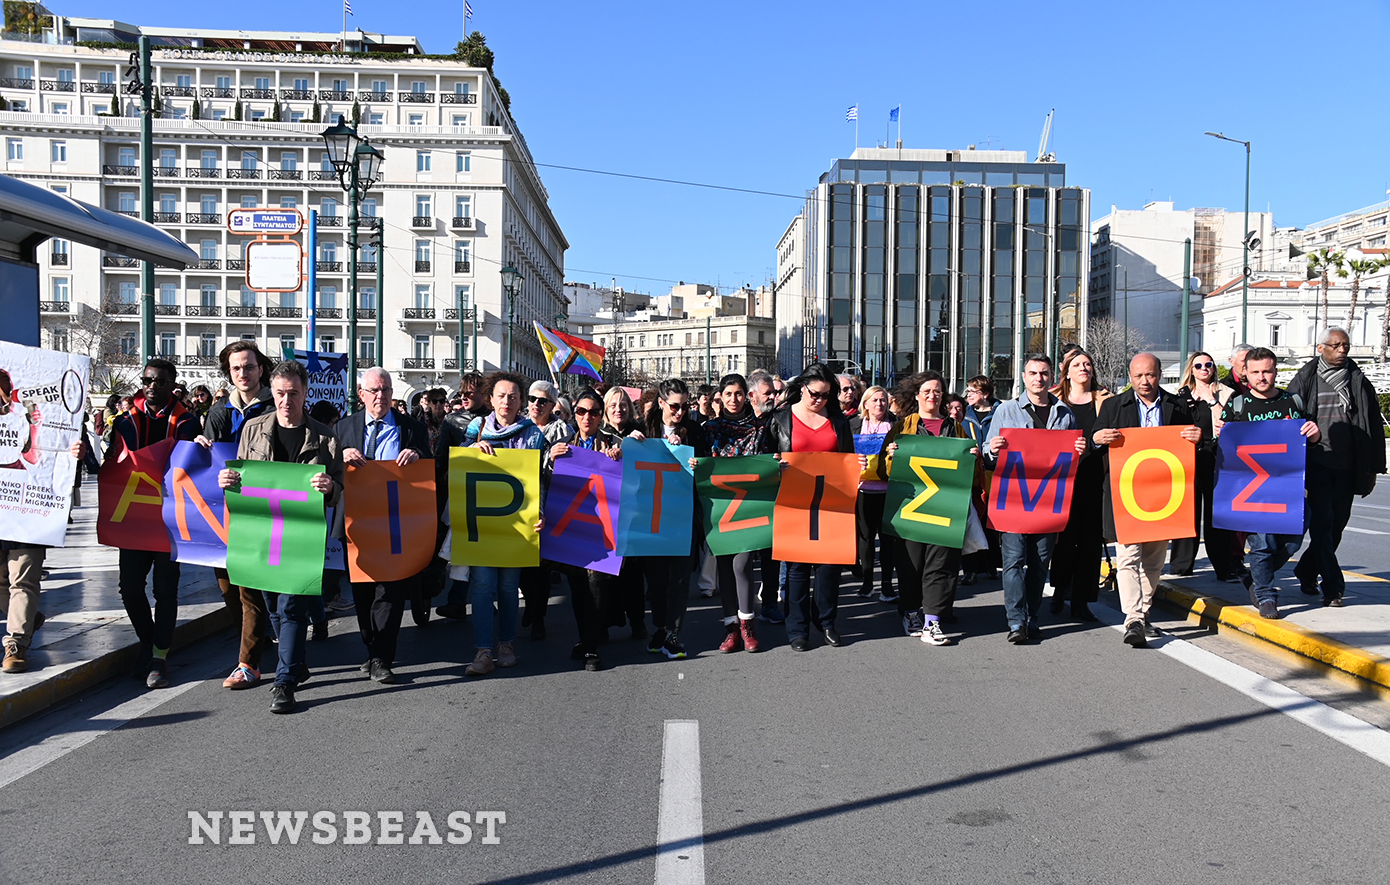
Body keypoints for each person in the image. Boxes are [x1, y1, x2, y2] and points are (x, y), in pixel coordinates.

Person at [218, 360, 343, 714]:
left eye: (293, 394)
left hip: (301, 533)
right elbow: (240, 475)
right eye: (280, 393)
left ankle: (284, 682)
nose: (286, 400)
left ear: (305, 394)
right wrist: (227, 482)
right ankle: (297, 660)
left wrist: (330, 486)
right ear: (272, 394)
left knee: (290, 605)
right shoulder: (254, 429)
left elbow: (338, 485)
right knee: (271, 604)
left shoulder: (324, 436)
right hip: (262, 531)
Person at [1092, 353, 1202, 649]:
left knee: (1154, 560)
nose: (1144, 381)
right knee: (1128, 557)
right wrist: (1098, 438)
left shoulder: (1176, 405)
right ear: (1130, 377)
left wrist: (1197, 437)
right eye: (1138, 376)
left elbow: (1192, 446)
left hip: (1165, 495)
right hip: (1127, 494)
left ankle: (1142, 612)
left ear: (1159, 374)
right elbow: (1094, 440)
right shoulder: (1114, 405)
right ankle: (1133, 618)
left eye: (1150, 375)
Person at [107, 358, 202, 689]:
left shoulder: (188, 422)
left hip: (169, 519)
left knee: (165, 590)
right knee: (129, 588)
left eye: (159, 382)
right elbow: (109, 463)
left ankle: (159, 657)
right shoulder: (124, 422)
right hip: (134, 516)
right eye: (147, 380)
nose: (151, 386)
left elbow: (190, 462)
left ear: (171, 385)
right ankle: (148, 643)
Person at [984, 355, 1088, 643]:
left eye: (1044, 373)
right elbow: (986, 452)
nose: (1038, 378)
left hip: (1049, 500)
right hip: (1014, 498)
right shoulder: (1006, 410)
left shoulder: (1064, 414)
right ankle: (1016, 622)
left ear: (1051, 376)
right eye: (1033, 373)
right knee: (1014, 561)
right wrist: (992, 447)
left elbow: (1070, 463)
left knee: (1041, 563)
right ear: (1024, 375)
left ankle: (1032, 617)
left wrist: (1079, 450)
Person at [337, 368, 431, 683]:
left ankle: (381, 657)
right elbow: (327, 471)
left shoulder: (413, 428)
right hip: (358, 523)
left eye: (386, 390)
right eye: (374, 390)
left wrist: (416, 454)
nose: (381, 396)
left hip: (397, 524)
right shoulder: (343, 428)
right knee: (362, 594)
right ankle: (370, 645)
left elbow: (431, 465)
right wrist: (342, 457)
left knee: (390, 592)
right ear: (361, 394)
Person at [1213, 347, 1321, 619]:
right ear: (1245, 373)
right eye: (1256, 372)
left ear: (1275, 371)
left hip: (1288, 488)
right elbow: (1222, 449)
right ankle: (1266, 595)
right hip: (1252, 491)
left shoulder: (1292, 401)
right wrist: (1219, 434)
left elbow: (1310, 439)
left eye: (1267, 371)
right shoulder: (1237, 405)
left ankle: (1258, 578)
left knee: (1294, 541)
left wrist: (1314, 433)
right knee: (1261, 544)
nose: (1262, 377)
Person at [1285, 327, 1387, 606]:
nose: (1342, 350)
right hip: (1316, 463)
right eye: (1336, 345)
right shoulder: (1305, 379)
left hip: (1349, 465)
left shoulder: (1358, 380)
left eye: (1346, 345)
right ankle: (1333, 587)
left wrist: (1375, 467)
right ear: (1321, 348)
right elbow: (1290, 421)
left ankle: (1306, 570)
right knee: (1322, 525)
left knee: (1337, 526)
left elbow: (1372, 425)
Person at [199, 341, 279, 690]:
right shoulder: (218, 412)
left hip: (262, 509)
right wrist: (201, 447)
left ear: (261, 368)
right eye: (236, 369)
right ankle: (257, 640)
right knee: (228, 585)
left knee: (250, 587)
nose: (243, 374)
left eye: (249, 366)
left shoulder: (276, 405)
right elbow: (209, 461)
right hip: (224, 512)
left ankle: (248, 662)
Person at [459, 372, 548, 676]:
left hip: (517, 521)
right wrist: (470, 451)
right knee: (483, 586)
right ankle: (483, 650)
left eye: (513, 396)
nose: (506, 401)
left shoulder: (533, 435)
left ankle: (506, 644)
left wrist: (541, 511)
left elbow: (540, 479)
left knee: (509, 587)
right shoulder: (476, 429)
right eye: (501, 395)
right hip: (482, 520)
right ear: (490, 399)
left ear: (521, 401)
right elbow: (454, 464)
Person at [766, 364, 859, 652]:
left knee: (830, 565)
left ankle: (827, 621)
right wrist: (774, 464)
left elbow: (848, 456)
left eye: (826, 395)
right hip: (794, 500)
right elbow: (764, 457)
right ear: (802, 388)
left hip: (831, 499)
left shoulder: (838, 420)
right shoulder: (780, 419)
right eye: (815, 394)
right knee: (797, 567)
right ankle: (797, 629)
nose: (820, 400)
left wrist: (859, 465)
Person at [883, 371, 975, 647]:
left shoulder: (956, 428)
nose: (932, 396)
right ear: (917, 395)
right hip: (911, 508)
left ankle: (932, 621)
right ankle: (912, 611)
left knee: (942, 564)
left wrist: (973, 457)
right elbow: (883, 470)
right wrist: (891, 458)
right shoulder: (902, 428)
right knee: (911, 564)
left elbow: (969, 471)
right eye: (927, 391)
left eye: (937, 391)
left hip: (945, 507)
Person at [547, 388, 624, 671]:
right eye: (581, 411)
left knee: (598, 584)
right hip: (573, 525)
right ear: (574, 414)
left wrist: (620, 457)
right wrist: (550, 459)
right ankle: (587, 636)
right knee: (578, 586)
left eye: (593, 412)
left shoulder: (615, 442)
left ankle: (591, 646)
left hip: (605, 526)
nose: (587, 417)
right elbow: (544, 482)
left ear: (600, 415)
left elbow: (634, 478)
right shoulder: (564, 444)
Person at [638, 379, 710, 660]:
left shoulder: (693, 430)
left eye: (685, 406)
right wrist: (634, 444)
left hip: (682, 514)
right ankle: (659, 627)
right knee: (656, 579)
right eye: (675, 406)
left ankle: (673, 634)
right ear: (661, 403)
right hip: (652, 515)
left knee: (680, 578)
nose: (680, 412)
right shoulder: (644, 429)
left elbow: (705, 465)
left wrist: (695, 459)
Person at [700, 373, 771, 654]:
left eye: (739, 394)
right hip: (720, 508)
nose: (734, 399)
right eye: (728, 394)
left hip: (750, 507)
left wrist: (776, 464)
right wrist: (697, 463)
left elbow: (767, 463)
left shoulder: (760, 428)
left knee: (742, 565)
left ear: (747, 396)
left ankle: (747, 624)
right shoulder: (710, 429)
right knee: (724, 568)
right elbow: (701, 464)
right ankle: (731, 628)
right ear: (720, 397)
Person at [3, 438, 86, 673]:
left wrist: (74, 456)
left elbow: (59, 446)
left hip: (28, 506)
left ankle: (17, 644)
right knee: (2, 584)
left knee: (23, 580)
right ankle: (28, 617)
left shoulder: (43, 410)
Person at [1048, 348, 1111, 621]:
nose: (1083, 368)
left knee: (1089, 544)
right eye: (1077, 364)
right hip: (1063, 482)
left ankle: (1081, 601)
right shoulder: (1054, 401)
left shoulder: (1107, 401)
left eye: (1087, 364)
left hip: (1095, 480)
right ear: (1067, 371)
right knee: (1064, 541)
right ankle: (1060, 589)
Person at [1169, 351, 1239, 580]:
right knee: (1186, 512)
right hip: (1188, 459)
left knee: (1216, 515)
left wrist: (1211, 400)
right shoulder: (1179, 395)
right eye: (1198, 366)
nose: (1204, 369)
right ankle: (1181, 565)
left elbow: (1226, 422)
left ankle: (1223, 565)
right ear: (1191, 369)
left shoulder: (1226, 393)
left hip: (1218, 457)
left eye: (1208, 365)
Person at [520, 379, 571, 640]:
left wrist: (550, 458)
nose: (536, 405)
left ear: (552, 405)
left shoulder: (561, 430)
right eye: (532, 399)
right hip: (519, 502)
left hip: (548, 502)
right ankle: (531, 605)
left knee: (539, 567)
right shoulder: (519, 427)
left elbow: (566, 467)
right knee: (520, 565)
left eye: (543, 401)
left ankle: (538, 615)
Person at [850, 385, 894, 600]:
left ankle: (887, 584)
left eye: (883, 400)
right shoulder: (854, 426)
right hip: (862, 490)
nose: (879, 404)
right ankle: (867, 583)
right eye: (875, 400)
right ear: (865, 404)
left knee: (887, 540)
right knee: (865, 539)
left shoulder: (896, 425)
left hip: (889, 491)